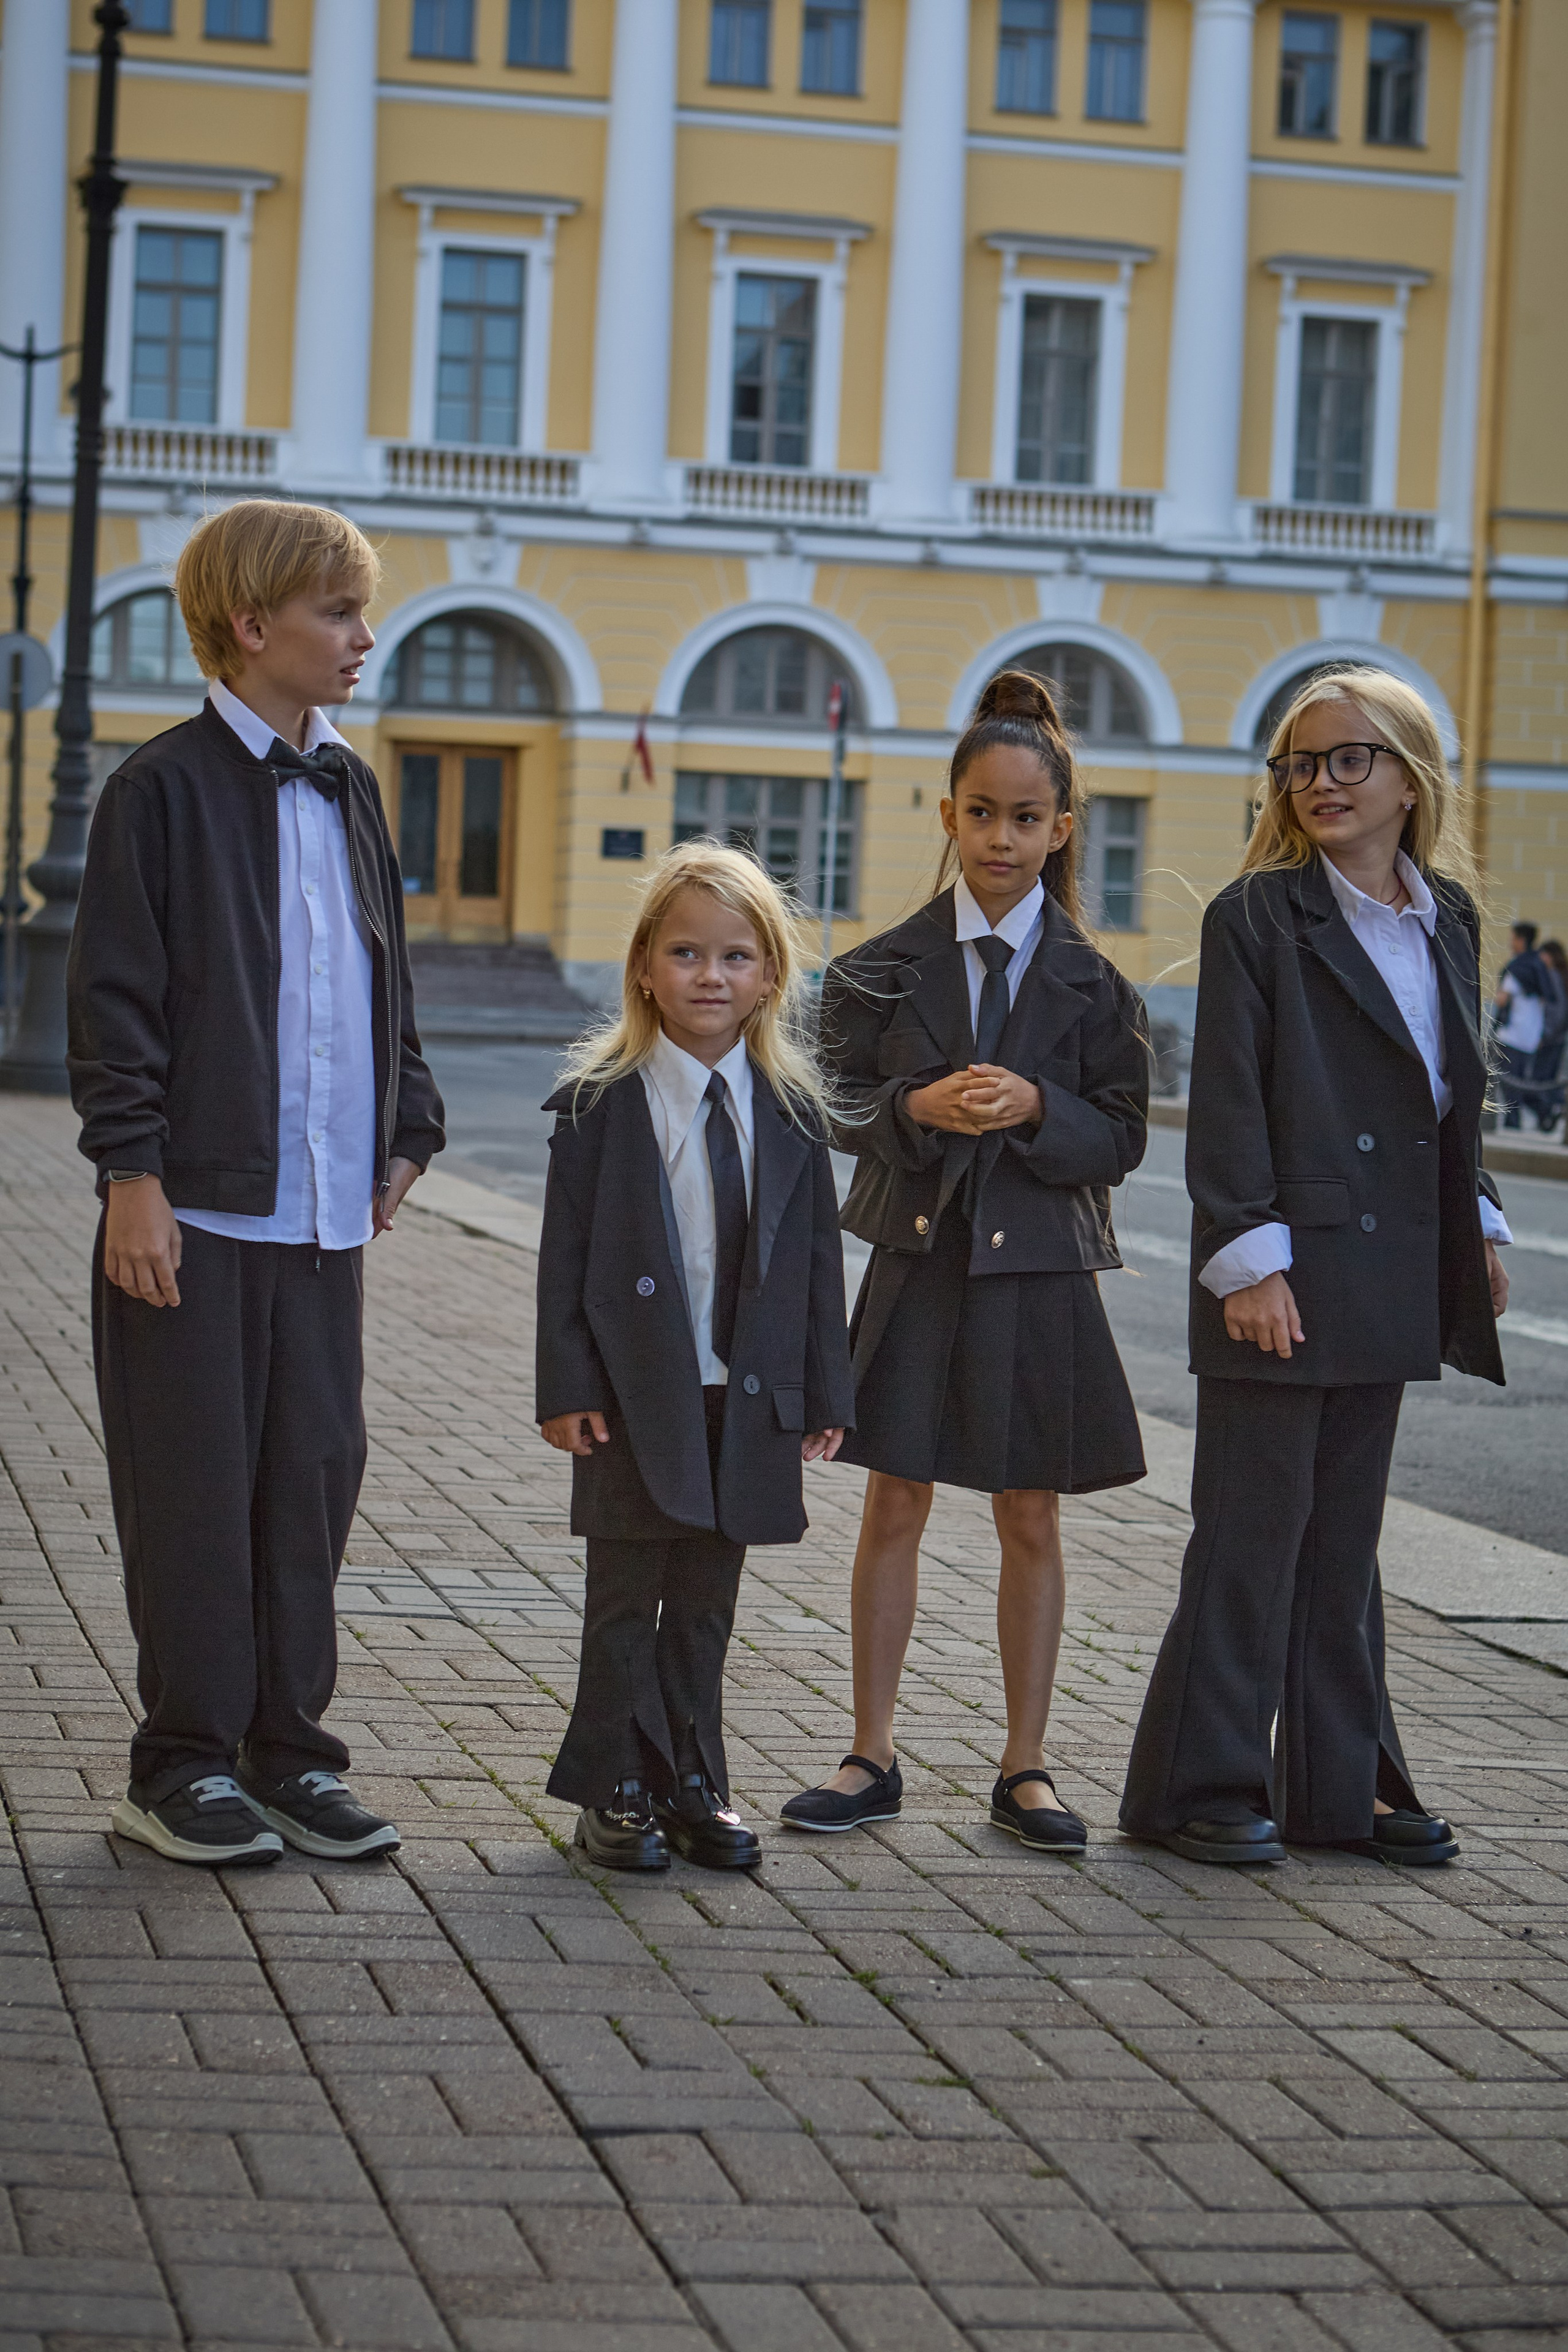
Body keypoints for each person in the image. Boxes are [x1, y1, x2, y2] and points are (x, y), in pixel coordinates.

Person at [67, 500, 445, 1868]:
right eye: (338, 612)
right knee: (191, 1490)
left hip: (324, 1215)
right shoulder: (156, 791)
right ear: (251, 626)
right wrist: (132, 1176)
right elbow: (115, 1007)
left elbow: (380, 981)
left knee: (309, 1483)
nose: (362, 635)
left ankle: (289, 1757)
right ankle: (179, 1767)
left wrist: (407, 1124)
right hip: (197, 1211)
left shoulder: (350, 785)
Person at [1120, 666, 1511, 1868]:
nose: (1319, 783)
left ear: (1408, 776)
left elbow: (1451, 1092)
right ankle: (1201, 1786)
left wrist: (1479, 1220)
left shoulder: (1443, 913)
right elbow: (1228, 1098)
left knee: (1339, 1545)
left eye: (1348, 759)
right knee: (1250, 1535)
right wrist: (1243, 1260)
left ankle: (1342, 1790)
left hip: (1391, 1259)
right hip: (1280, 1268)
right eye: (1299, 763)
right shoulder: (1255, 916)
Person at [780, 669, 1149, 1853]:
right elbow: (832, 1101)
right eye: (981, 812)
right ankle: (868, 1752)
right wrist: (920, 1106)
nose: (1002, 837)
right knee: (896, 1498)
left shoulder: (1099, 987)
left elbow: (1125, 1136)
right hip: (918, 1267)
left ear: (1061, 829)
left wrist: (1040, 1105)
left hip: (1039, 1277)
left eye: (1027, 818)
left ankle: (1027, 1766)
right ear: (947, 813)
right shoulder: (879, 968)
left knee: (1031, 1513)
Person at [537, 840, 854, 1873]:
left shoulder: (794, 1115)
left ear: (769, 975)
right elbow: (565, 1263)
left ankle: (693, 1781)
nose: (708, 977)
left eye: (733, 957)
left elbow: (814, 1268)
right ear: (642, 967)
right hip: (634, 1397)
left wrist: (823, 1389)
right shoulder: (599, 1102)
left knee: (707, 1607)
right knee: (626, 1599)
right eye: (684, 953)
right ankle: (615, 1790)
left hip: (745, 1397)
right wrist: (569, 1387)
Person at [1496, 920, 1549, 1128]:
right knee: (1520, 1079)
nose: (1511, 942)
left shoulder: (1517, 968)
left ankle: (1530, 1113)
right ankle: (1534, 1113)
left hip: (1513, 1032)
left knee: (1510, 1079)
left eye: (1514, 938)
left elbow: (1502, 999)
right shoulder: (1538, 965)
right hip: (1532, 1032)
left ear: (1522, 940)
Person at [1531, 939, 1568, 1136]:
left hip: (1552, 1037)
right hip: (1560, 1037)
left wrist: (1546, 1034)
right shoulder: (1562, 975)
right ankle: (1550, 1113)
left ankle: (1552, 1110)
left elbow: (1557, 1009)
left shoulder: (1552, 975)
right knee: (1548, 1079)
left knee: (1539, 1080)